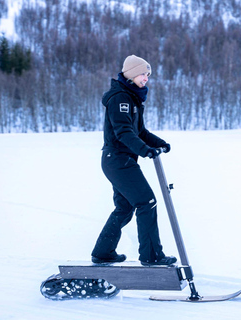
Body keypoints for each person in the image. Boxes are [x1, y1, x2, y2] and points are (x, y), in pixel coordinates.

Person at [91, 55, 177, 266]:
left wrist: (159, 143)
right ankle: (152, 256)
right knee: (146, 202)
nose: (146, 78)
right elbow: (124, 132)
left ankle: (103, 252)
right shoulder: (120, 98)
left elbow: (139, 131)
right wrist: (145, 150)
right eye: (142, 74)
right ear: (131, 74)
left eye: (148, 75)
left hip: (121, 160)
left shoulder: (132, 98)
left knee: (125, 208)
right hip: (118, 160)